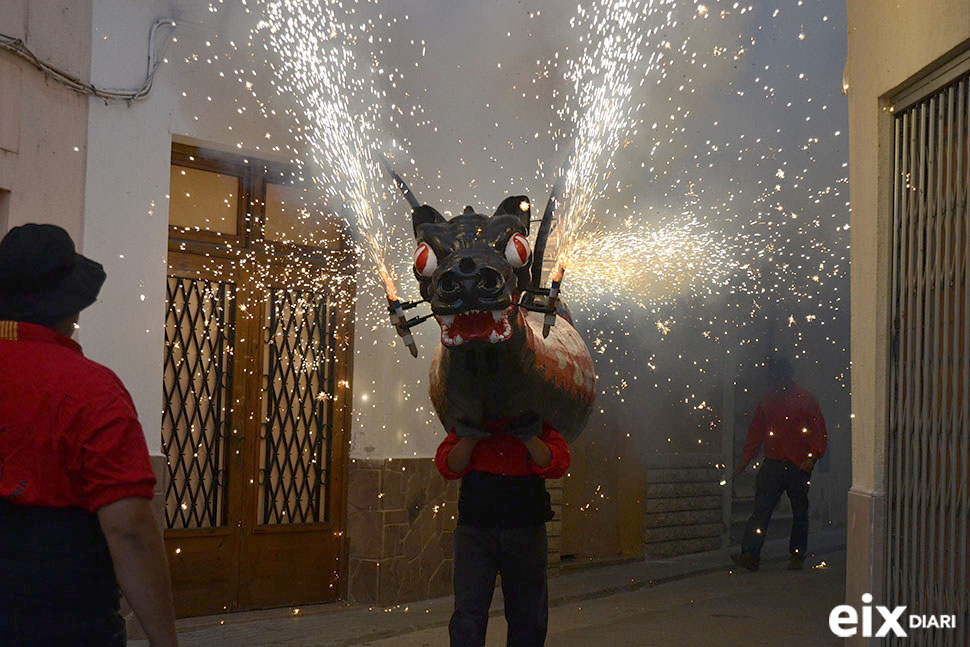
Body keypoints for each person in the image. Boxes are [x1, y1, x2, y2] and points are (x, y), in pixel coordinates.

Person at [0, 224, 178, 647]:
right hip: (58, 621)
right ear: (71, 309)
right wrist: (164, 640)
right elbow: (130, 528)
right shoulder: (91, 390)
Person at [435, 414, 570, 647]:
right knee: (468, 616)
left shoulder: (537, 417)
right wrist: (472, 436)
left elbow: (557, 463)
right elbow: (448, 465)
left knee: (528, 617)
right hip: (476, 530)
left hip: (525, 529)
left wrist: (527, 436)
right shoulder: (471, 415)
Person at [732, 356, 827, 571]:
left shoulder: (805, 399)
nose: (778, 382)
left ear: (788, 376)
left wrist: (812, 458)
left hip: (798, 465)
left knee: (799, 512)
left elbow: (818, 432)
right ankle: (750, 555)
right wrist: (745, 460)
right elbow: (756, 433)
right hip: (774, 464)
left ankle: (796, 555)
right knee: (761, 510)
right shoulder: (769, 400)